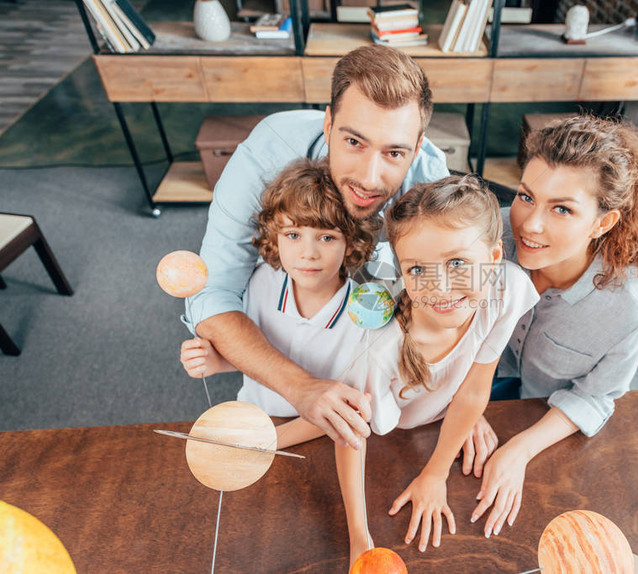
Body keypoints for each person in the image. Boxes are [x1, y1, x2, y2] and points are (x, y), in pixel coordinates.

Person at [186, 45, 450, 451]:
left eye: (394, 153)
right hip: (277, 325)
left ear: (416, 149)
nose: (369, 178)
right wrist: (301, 387)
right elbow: (212, 292)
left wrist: (464, 400)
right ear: (329, 124)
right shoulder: (267, 150)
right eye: (354, 142)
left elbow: (447, 299)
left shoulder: (431, 180)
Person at [273, 175, 540, 566]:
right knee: (328, 414)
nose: (441, 288)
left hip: (440, 409)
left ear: (495, 257)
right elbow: (350, 433)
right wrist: (360, 538)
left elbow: (473, 389)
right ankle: (267, 439)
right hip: (377, 415)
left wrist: (436, 473)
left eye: (458, 262)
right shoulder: (382, 351)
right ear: (402, 269)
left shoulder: (506, 289)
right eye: (417, 270)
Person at [468, 115, 638, 538]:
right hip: (469, 385)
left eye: (562, 209)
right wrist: (466, 405)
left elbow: (595, 396)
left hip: (540, 410)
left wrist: (519, 451)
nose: (529, 224)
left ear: (603, 223)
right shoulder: (486, 236)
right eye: (527, 196)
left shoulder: (633, 309)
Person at [180, 159, 379, 447]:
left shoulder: (365, 313)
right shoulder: (259, 282)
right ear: (275, 235)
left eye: (326, 237)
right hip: (254, 421)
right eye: (293, 235)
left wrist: (268, 441)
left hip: (322, 435)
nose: (307, 253)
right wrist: (215, 361)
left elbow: (354, 409)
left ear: (350, 242)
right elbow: (254, 354)